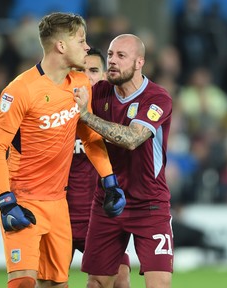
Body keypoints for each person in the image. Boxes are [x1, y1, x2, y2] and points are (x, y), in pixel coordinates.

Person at [0, 12, 126, 288]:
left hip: (58, 202)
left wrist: (109, 181)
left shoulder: (80, 84)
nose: (87, 48)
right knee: (23, 281)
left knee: (56, 285)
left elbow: (88, 137)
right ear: (61, 46)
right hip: (23, 199)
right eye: (81, 40)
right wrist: (6, 201)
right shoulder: (20, 91)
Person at [74, 34, 174, 288]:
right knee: (97, 283)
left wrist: (87, 116)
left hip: (149, 203)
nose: (113, 62)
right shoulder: (99, 92)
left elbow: (131, 139)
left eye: (121, 56)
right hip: (109, 200)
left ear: (139, 62)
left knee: (159, 284)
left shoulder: (157, 98)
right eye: (110, 55)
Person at [67, 47, 131, 288]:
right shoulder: (55, 114)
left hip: (100, 217)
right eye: (79, 70)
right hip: (60, 217)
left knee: (120, 281)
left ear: (105, 75)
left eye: (93, 70)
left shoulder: (113, 115)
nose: (86, 76)